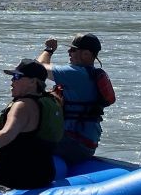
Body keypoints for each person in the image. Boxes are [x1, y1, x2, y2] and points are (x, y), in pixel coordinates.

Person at [0, 59, 64, 189]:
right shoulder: (52, 101)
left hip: (16, 176)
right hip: (44, 173)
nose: (12, 81)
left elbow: (7, 133)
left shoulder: (22, 106)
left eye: (17, 76)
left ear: (33, 81)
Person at [35, 33, 116, 164]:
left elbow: (38, 67)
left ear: (87, 54)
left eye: (73, 49)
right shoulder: (91, 73)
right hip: (85, 143)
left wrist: (49, 49)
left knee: (22, 140)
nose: (69, 52)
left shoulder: (76, 73)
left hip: (73, 144)